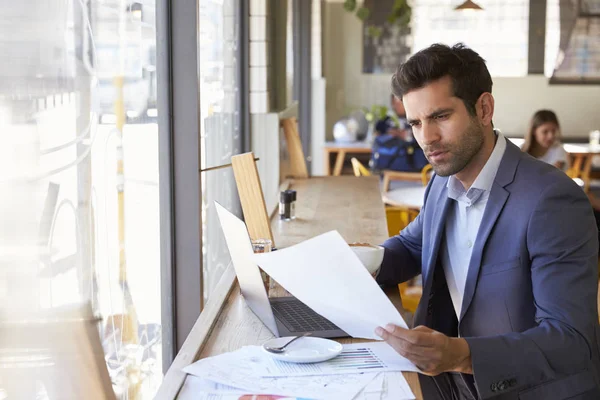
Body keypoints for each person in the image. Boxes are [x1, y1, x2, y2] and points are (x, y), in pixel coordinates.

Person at [374, 43, 600, 399]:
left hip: (523, 389)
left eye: (441, 117)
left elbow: (570, 340)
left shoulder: (552, 200)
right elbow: (415, 244)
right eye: (416, 123)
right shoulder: (441, 179)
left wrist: (461, 355)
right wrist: (357, 262)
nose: (427, 139)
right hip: (447, 383)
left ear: (483, 108)